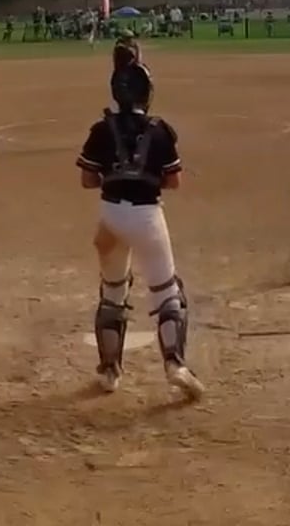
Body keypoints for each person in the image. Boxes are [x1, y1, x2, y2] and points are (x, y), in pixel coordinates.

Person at [78, 44, 203, 400]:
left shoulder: (102, 129)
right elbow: (174, 181)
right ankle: (175, 364)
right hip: (147, 216)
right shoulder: (160, 131)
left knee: (113, 291)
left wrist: (116, 174)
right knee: (167, 293)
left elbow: (88, 180)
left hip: (110, 216)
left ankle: (109, 372)